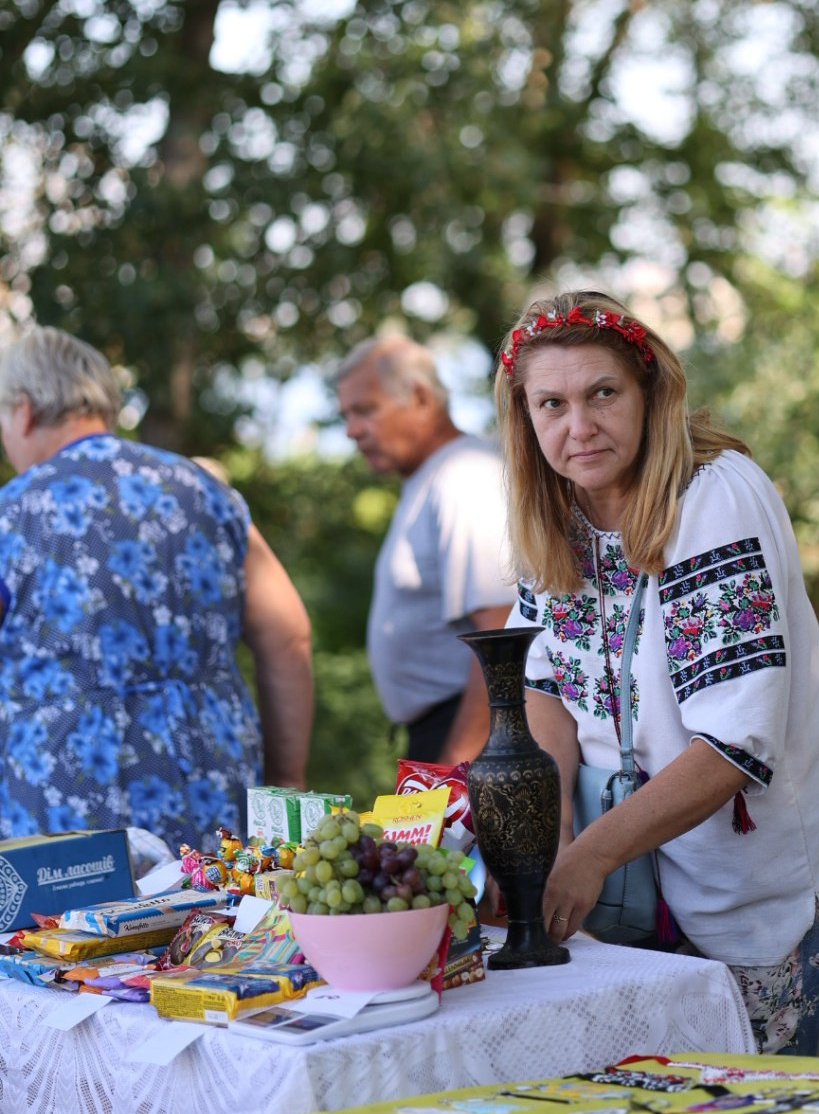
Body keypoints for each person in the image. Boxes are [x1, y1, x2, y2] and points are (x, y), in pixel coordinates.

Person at [494, 289, 819, 1055]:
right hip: (614, 900)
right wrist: (548, 841)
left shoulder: (716, 496)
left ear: (649, 390)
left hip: (739, 898)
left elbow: (737, 745)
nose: (581, 425)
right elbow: (548, 691)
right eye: (553, 404)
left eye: (603, 393)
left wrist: (589, 855)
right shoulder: (553, 512)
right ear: (525, 418)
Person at [0, 327, 313, 854]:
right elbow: (288, 639)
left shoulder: (14, 514)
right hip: (213, 791)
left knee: (73, 939)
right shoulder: (206, 491)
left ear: (24, 411)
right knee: (213, 934)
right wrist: (286, 779)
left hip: (63, 812)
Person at [337, 334, 515, 764]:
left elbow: (501, 634)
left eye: (364, 410)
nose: (351, 430)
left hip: (472, 738)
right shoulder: (430, 478)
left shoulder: (464, 477)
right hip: (445, 732)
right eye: (345, 415)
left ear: (419, 398)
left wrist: (450, 772)